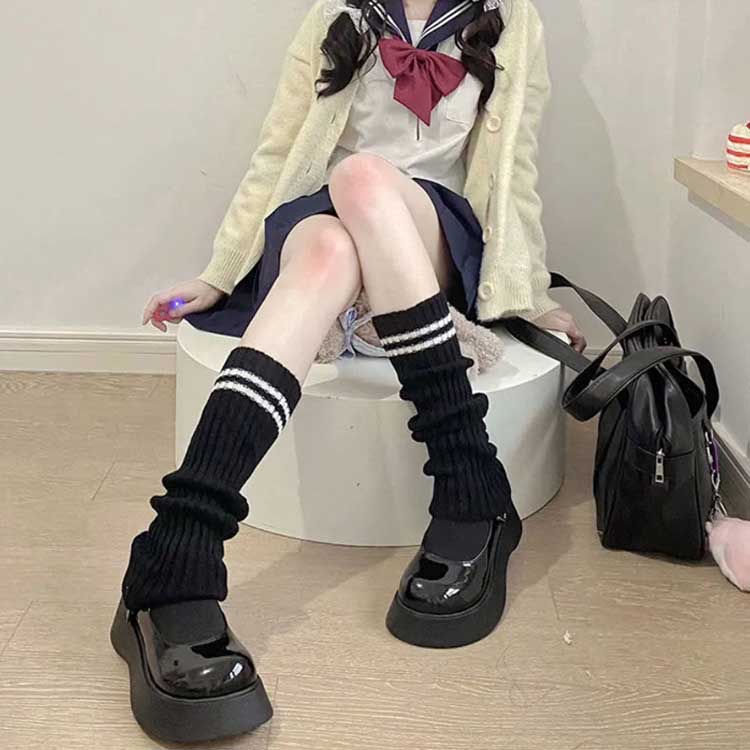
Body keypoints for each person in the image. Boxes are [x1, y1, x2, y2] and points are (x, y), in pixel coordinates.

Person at [111, 0, 586, 742]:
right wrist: (219, 273)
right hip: (324, 215)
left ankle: (464, 478)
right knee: (335, 235)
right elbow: (277, 150)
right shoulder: (336, 15)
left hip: (430, 229)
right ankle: (179, 548)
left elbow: (513, 169)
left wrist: (527, 294)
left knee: (365, 178)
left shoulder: (509, 20)